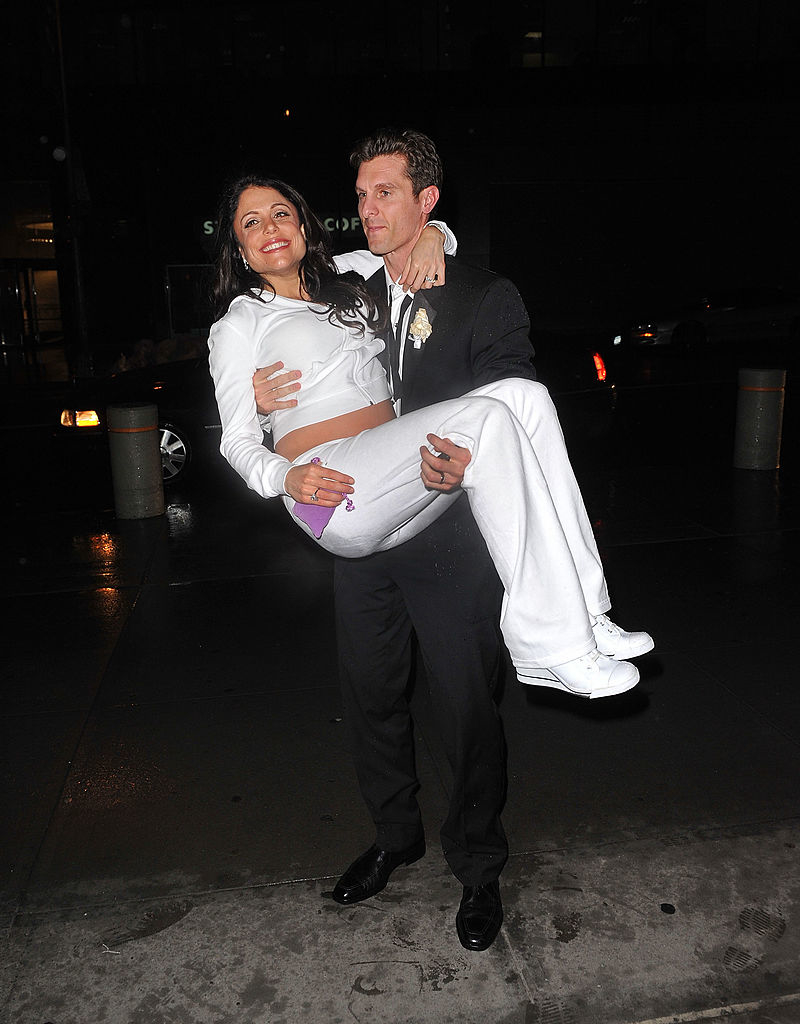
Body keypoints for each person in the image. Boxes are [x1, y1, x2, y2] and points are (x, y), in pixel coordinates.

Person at [209, 153, 653, 950]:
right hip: (341, 503)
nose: (270, 229)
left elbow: (415, 241)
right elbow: (238, 443)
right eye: (251, 222)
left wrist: (437, 230)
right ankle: (396, 833)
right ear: (238, 248)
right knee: (374, 696)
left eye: (281, 213)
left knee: (519, 400)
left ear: (305, 225)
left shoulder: (352, 281)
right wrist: (285, 472)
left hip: (423, 511)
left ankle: (482, 860)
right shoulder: (239, 324)